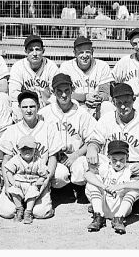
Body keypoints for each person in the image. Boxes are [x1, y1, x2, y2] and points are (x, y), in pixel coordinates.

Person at [85, 83, 139, 200]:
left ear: (134, 100)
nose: (122, 107)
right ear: (113, 103)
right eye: (119, 103)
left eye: (126, 102)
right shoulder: (107, 119)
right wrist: (92, 148)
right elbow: (95, 140)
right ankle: (101, 199)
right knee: (83, 164)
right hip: (112, 164)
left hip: (135, 166)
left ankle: (130, 200)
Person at [0, 90, 64, 220]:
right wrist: (6, 182)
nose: (28, 110)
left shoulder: (48, 128)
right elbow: (5, 159)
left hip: (37, 179)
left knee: (40, 213)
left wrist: (46, 181)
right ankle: (16, 201)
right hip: (16, 180)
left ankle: (45, 197)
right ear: (19, 109)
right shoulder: (12, 130)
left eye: (32, 106)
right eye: (25, 107)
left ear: (38, 107)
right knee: (6, 212)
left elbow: (53, 157)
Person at [38, 73, 97, 202]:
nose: (64, 95)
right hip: (54, 157)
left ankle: (79, 188)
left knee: (81, 171)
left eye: (67, 91)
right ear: (53, 92)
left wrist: (75, 155)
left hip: (76, 155)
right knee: (59, 175)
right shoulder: (44, 113)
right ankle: (63, 190)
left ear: (72, 90)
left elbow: (92, 139)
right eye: (59, 91)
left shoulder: (82, 113)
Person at [85, 140, 139, 234]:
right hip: (104, 205)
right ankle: (98, 216)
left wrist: (121, 186)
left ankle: (118, 219)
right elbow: (87, 175)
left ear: (127, 157)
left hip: (121, 206)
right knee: (92, 183)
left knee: (134, 190)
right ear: (109, 157)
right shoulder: (104, 167)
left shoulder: (130, 169)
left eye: (122, 160)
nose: (118, 163)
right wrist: (103, 186)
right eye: (114, 160)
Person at [58, 36, 111, 118]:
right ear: (75, 53)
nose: (85, 55)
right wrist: (84, 97)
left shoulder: (102, 66)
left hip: (96, 106)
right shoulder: (66, 67)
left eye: (88, 52)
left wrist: (98, 98)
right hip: (77, 106)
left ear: (92, 52)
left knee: (107, 106)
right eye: (81, 52)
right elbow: (62, 93)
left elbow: (106, 92)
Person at [8, 35, 58, 121]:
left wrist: (47, 101)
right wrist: (32, 100)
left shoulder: (51, 66)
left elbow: (57, 92)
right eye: (31, 50)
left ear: (43, 51)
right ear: (25, 52)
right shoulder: (18, 67)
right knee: (15, 105)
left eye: (37, 49)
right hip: (26, 105)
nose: (34, 54)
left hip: (45, 105)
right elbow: (13, 93)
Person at [5, 135, 49, 224]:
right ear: (19, 150)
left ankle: (28, 212)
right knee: (14, 191)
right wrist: (12, 182)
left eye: (30, 149)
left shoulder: (38, 161)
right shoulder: (16, 159)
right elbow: (8, 171)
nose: (27, 151)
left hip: (32, 183)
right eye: (24, 149)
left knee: (33, 193)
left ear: (35, 150)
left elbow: (44, 174)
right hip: (19, 183)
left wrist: (40, 180)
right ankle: (19, 209)